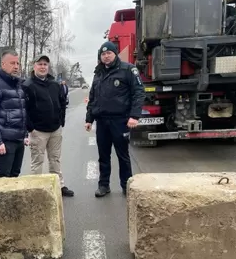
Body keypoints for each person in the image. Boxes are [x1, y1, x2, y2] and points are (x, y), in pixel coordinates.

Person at [85, 41, 145, 197]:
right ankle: (104, 185)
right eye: (103, 54)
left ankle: (127, 186)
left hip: (120, 121)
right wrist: (89, 119)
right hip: (102, 122)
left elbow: (138, 93)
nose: (106, 56)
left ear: (115, 53)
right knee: (103, 156)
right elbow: (93, 98)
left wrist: (134, 116)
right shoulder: (98, 73)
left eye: (109, 53)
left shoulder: (128, 70)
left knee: (123, 155)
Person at [23, 54, 74, 197]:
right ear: (34, 67)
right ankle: (36, 189)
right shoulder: (27, 85)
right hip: (38, 131)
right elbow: (24, 109)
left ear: (48, 67)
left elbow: (62, 103)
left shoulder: (54, 84)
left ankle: (59, 185)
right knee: (37, 161)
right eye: (40, 64)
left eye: (45, 64)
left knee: (55, 159)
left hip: (55, 130)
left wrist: (61, 121)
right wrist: (30, 128)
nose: (43, 67)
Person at [0, 50, 29, 178]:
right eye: (12, 63)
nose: (16, 66)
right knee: (3, 178)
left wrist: (25, 134)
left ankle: (13, 199)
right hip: (5, 141)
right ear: (3, 64)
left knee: (15, 175)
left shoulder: (19, 84)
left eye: (18, 63)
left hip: (19, 139)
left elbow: (22, 111)